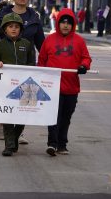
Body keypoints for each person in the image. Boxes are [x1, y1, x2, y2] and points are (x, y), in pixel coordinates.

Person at [0, 0, 45, 143]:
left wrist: (47, 61)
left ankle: (18, 132)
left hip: (26, 62)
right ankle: (4, 128)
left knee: (23, 96)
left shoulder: (34, 17)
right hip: (6, 62)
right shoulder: (2, 15)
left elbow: (42, 43)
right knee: (6, 97)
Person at [38, 8, 92, 156]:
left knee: (66, 117)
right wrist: (42, 75)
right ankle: (52, 144)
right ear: (58, 23)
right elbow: (41, 60)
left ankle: (62, 144)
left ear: (73, 24)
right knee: (54, 116)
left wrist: (83, 66)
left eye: (69, 23)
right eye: (63, 22)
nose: (66, 25)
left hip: (71, 87)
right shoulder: (49, 39)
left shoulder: (79, 41)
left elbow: (86, 58)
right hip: (52, 86)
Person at [0, 13, 35, 156]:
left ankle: (15, 138)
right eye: (10, 27)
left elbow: (32, 64)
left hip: (25, 86)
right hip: (6, 86)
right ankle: (9, 146)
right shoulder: (0, 45)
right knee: (8, 116)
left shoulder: (27, 45)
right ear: (5, 29)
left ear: (20, 29)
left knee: (22, 116)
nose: (14, 29)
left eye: (17, 27)